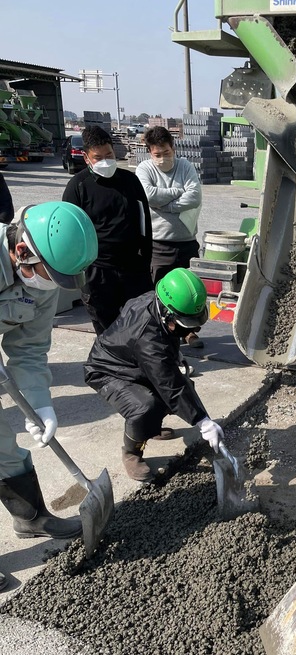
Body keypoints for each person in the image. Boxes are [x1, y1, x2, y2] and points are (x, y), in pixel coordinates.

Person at [0, 202, 98, 591]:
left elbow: (29, 348)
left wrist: (40, 402)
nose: (53, 285)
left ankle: (30, 517)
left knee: (4, 447)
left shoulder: (38, 281)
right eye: (50, 274)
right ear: (22, 250)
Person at [83, 268, 224, 483]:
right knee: (146, 407)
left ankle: (149, 428)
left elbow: (166, 367)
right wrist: (203, 422)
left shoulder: (156, 302)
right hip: (107, 371)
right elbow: (170, 385)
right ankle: (132, 453)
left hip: (133, 362)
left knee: (182, 389)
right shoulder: (148, 340)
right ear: (167, 313)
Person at [62, 125, 153, 335]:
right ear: (86, 158)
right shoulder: (78, 186)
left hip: (133, 268)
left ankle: (141, 363)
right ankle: (113, 365)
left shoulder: (130, 181)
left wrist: (145, 258)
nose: (105, 161)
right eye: (98, 157)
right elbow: (70, 233)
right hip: (97, 272)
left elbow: (144, 221)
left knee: (142, 323)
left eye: (109, 155)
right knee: (107, 329)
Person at [135, 125, 204, 349]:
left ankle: (189, 332)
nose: (163, 158)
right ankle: (160, 336)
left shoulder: (184, 166)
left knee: (188, 293)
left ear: (173, 147)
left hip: (186, 241)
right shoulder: (144, 169)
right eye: (157, 154)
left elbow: (194, 197)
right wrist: (177, 193)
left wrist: (167, 205)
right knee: (159, 292)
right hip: (159, 244)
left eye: (166, 152)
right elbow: (148, 195)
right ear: (149, 152)